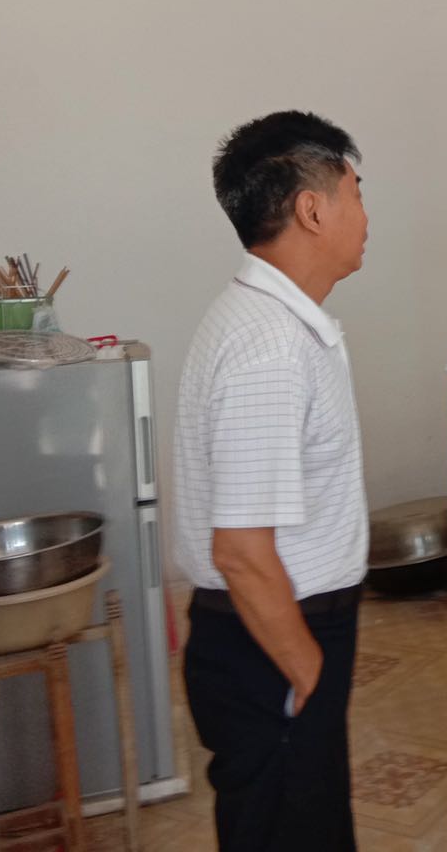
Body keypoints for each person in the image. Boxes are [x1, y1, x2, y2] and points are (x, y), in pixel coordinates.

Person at [173, 110, 370, 852]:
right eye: (356, 194)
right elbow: (242, 552)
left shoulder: (266, 320)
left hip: (268, 633)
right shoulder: (270, 348)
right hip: (271, 641)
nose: (365, 216)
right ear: (313, 209)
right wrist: (308, 673)